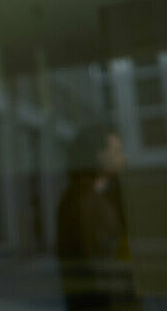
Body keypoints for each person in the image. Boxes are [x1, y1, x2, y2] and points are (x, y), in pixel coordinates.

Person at [56, 125, 136, 310]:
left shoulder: (91, 196)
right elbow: (103, 269)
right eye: (116, 151)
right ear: (99, 157)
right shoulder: (86, 202)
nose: (123, 157)